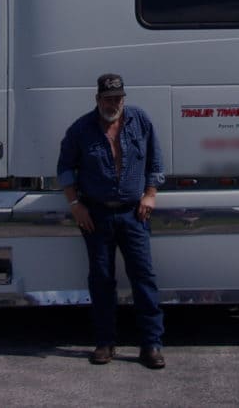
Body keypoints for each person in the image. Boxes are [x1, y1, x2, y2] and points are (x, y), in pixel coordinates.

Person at [58, 73, 166, 368]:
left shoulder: (140, 121)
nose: (113, 103)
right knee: (102, 280)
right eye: (108, 98)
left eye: (118, 98)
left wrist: (150, 195)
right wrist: (76, 205)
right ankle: (106, 342)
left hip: (134, 213)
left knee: (144, 278)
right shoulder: (81, 129)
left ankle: (151, 345)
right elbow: (65, 169)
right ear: (97, 99)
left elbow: (155, 161)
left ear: (124, 98)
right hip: (96, 214)